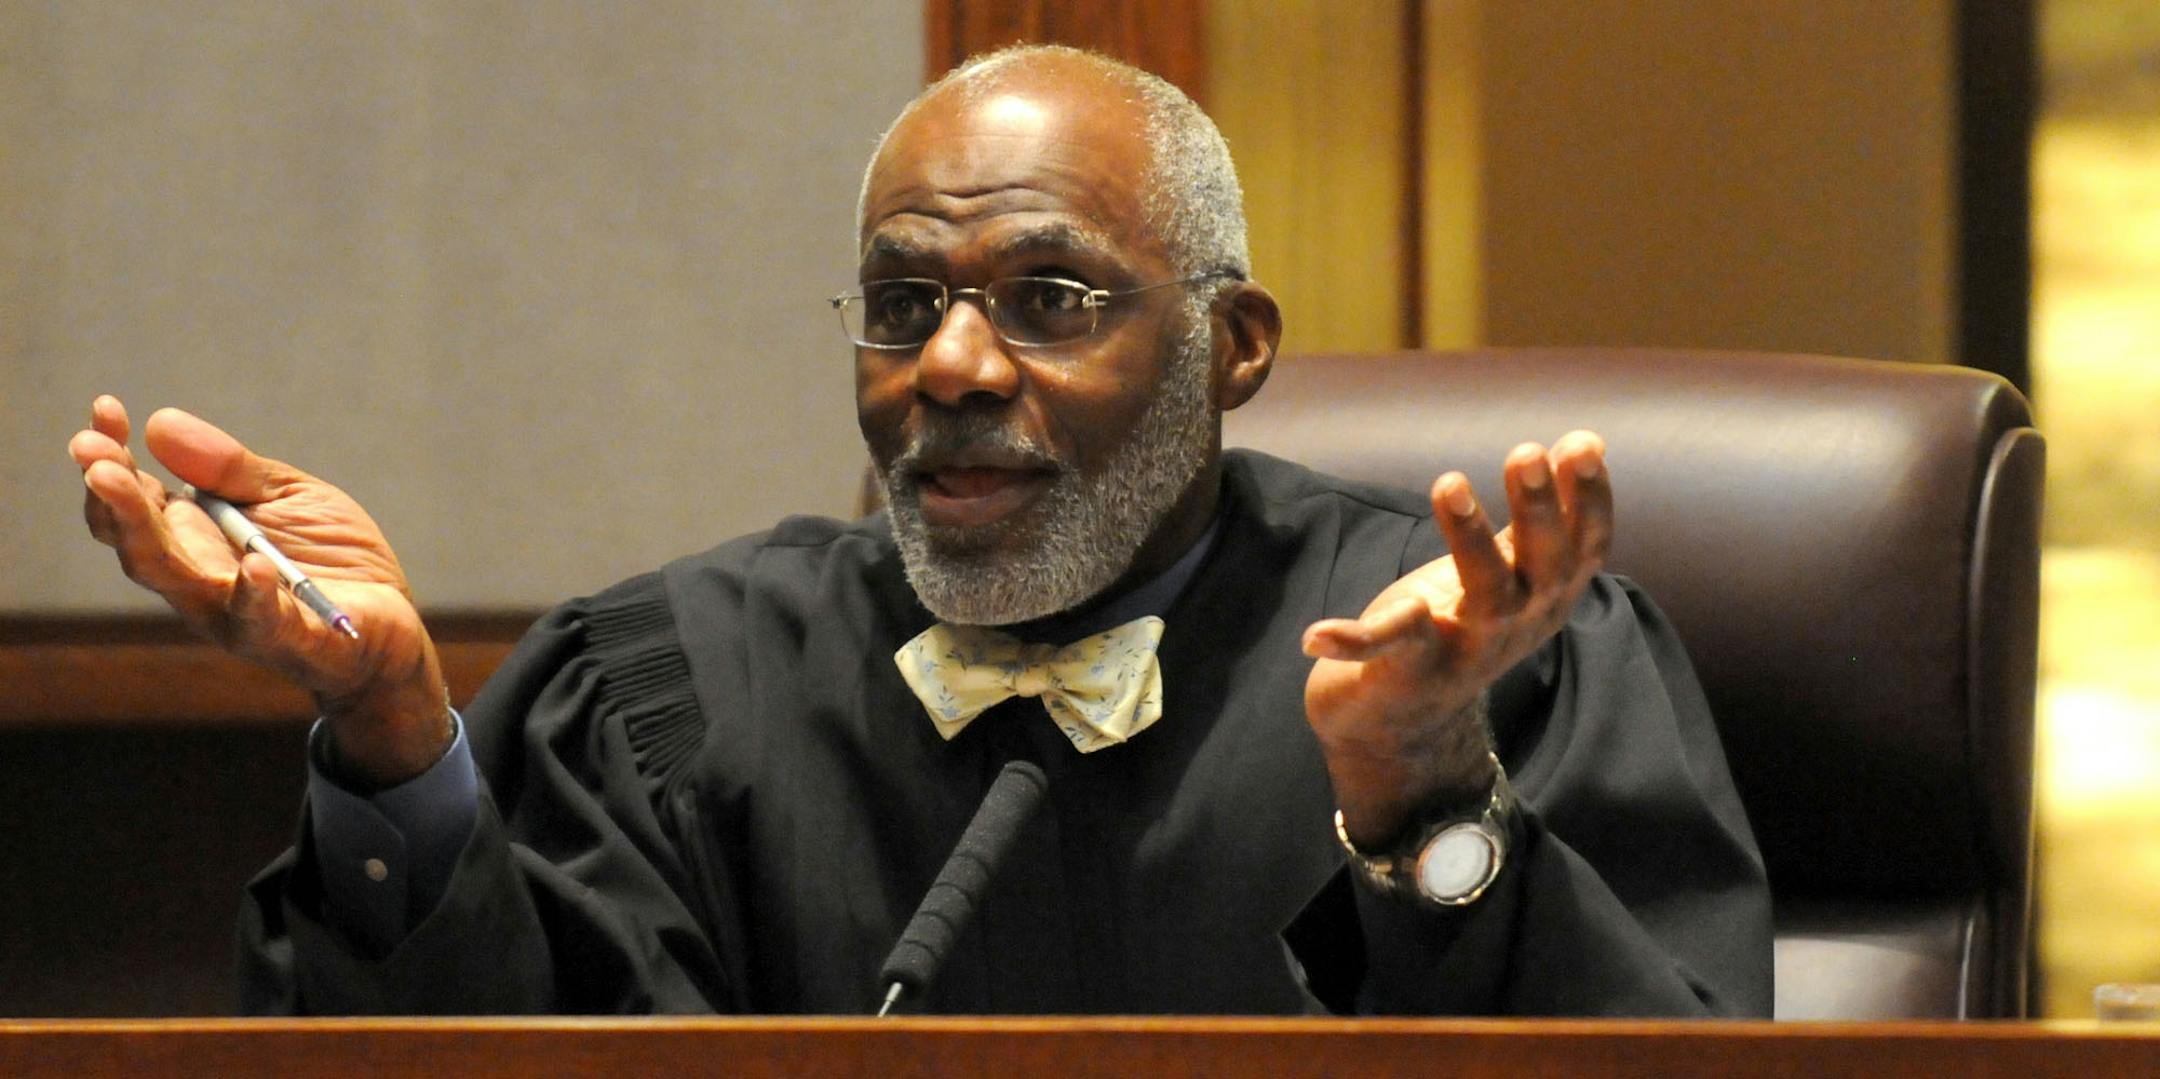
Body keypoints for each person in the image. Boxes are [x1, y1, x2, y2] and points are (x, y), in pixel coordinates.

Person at [69, 46, 1771, 1016]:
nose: (952, 366)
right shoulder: (672, 689)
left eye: (1050, 297)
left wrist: (1419, 797)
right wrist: (388, 742)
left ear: (1231, 346)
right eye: (902, 304)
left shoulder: (1476, 651)